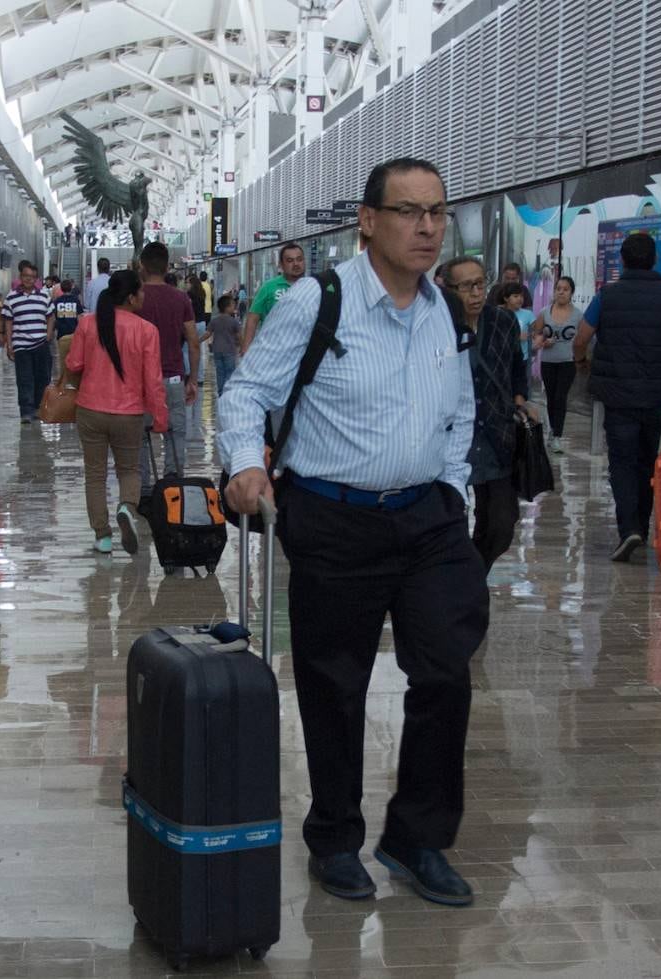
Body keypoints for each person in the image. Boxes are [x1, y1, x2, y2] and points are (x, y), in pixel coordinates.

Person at [221, 157, 487, 910]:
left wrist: (456, 489)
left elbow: (460, 410)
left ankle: (417, 837)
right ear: (367, 221)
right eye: (409, 211)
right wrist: (245, 464)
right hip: (334, 517)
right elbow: (246, 395)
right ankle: (336, 837)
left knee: (445, 672)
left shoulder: (443, 308)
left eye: (438, 211)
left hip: (429, 518)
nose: (427, 227)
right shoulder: (316, 301)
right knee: (335, 684)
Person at [574, 231, 661, 563]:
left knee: (622, 463)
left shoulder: (607, 296)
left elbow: (581, 337)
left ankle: (630, 529)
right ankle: (640, 524)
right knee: (646, 461)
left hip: (618, 395)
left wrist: (582, 363)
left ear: (623, 260)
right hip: (655, 395)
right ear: (654, 259)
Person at [66, 270, 166, 555]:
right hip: (128, 413)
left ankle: (103, 536)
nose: (144, 297)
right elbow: (153, 380)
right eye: (141, 292)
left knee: (95, 475)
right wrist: (159, 418)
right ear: (132, 297)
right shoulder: (147, 330)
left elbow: (74, 364)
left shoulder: (87, 324)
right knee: (129, 470)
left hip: (90, 410)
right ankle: (126, 507)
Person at [450, 261, 532, 572]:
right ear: (449, 291)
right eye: (466, 287)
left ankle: (472, 572)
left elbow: (515, 366)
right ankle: (458, 578)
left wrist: (521, 400)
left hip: (496, 433)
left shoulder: (503, 321)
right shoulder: (438, 325)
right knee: (449, 523)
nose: (475, 293)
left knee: (501, 523)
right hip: (452, 439)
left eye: (480, 284)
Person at [135, 241, 198, 491]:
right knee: (175, 434)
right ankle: (172, 490)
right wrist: (192, 379)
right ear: (166, 265)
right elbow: (193, 343)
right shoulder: (181, 298)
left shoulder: (134, 298)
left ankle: (143, 491)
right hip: (172, 378)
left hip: (140, 381)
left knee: (139, 436)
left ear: (142, 265)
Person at [0, 260, 53, 424]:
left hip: (41, 344)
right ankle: (26, 411)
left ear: (36, 279)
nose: (29, 279)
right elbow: (8, 321)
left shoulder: (44, 295)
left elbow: (51, 316)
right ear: (21, 277)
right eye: (26, 276)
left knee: (42, 378)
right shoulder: (11, 297)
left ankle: (38, 408)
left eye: (32, 277)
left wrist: (48, 335)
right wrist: (9, 344)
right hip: (21, 345)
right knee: (24, 379)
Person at [533, 276, 580, 454]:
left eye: (565, 289)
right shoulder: (545, 312)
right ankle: (552, 430)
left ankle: (558, 435)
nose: (561, 292)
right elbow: (537, 335)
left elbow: (582, 339)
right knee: (551, 398)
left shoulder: (578, 315)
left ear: (571, 293)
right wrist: (543, 341)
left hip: (568, 362)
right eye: (558, 288)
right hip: (548, 362)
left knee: (561, 397)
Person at [240, 242, 307, 354]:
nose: (296, 264)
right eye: (290, 261)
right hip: (272, 351)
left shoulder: (313, 286)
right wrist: (246, 349)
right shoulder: (268, 287)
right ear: (281, 264)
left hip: (304, 352)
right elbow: (253, 318)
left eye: (299, 259)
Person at [205, 294, 241, 395]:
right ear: (227, 307)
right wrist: (242, 347)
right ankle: (228, 393)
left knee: (220, 373)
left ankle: (221, 392)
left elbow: (208, 333)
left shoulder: (214, 320)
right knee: (229, 372)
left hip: (217, 351)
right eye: (233, 305)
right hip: (229, 351)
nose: (234, 307)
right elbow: (239, 336)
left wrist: (197, 340)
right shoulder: (234, 321)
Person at [51, 276, 82, 379]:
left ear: (61, 289)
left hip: (61, 334)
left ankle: (63, 379)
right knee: (74, 357)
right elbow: (79, 317)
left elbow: (53, 319)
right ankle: (72, 379)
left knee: (62, 359)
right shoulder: (76, 300)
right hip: (74, 333)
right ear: (71, 288)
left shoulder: (57, 302)